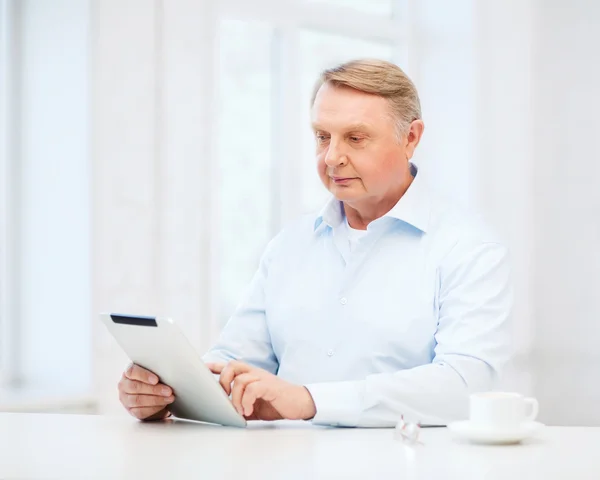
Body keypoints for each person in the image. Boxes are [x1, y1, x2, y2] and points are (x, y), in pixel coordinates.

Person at [117, 59, 512, 427]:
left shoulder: (468, 248)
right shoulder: (290, 246)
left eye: (355, 138)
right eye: (322, 137)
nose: (332, 157)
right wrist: (168, 392)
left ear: (411, 137)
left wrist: (309, 400)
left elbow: (466, 387)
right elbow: (234, 361)